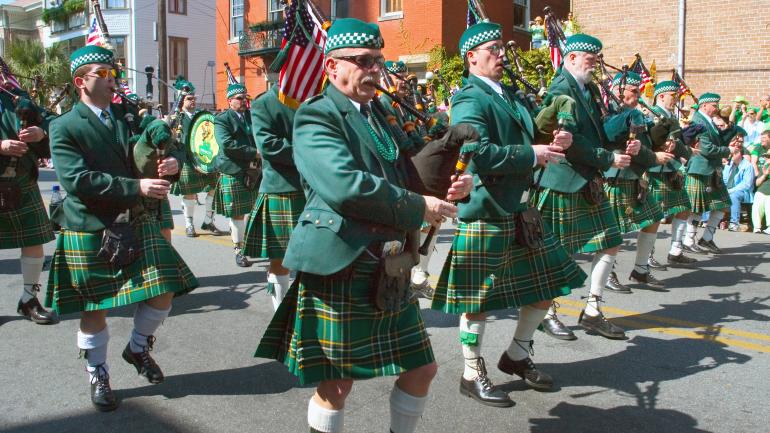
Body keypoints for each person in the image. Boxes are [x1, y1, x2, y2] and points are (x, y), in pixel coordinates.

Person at [254, 18, 471, 433]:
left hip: (388, 260)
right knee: (337, 383)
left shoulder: (382, 114)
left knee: (421, 369)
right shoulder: (317, 116)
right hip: (342, 258)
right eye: (363, 61)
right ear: (333, 67)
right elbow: (345, 187)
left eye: (378, 60)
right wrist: (416, 206)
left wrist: (451, 178)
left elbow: (412, 171)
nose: (374, 69)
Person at [431, 22, 586, 408]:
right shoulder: (469, 99)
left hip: (519, 205)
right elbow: (478, 152)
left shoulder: (508, 92)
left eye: (501, 48)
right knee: (478, 300)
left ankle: (516, 355)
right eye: (494, 49)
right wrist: (532, 154)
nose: (502, 55)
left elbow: (533, 127)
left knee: (548, 287)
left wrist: (558, 131)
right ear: (472, 57)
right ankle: (471, 371)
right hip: (487, 208)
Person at [46, 45, 198, 412]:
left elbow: (151, 151)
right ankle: (97, 371)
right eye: (105, 73)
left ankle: (137, 347)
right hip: (90, 226)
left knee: (165, 289)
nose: (114, 78)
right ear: (81, 82)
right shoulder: (63, 126)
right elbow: (77, 179)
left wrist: (171, 163)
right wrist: (137, 187)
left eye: (114, 73)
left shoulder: (127, 115)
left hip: (134, 218)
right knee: (95, 307)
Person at [535, 33, 632, 340]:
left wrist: (625, 122)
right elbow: (569, 142)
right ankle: (546, 312)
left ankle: (592, 310)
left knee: (610, 240)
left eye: (596, 60)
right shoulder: (560, 87)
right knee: (558, 252)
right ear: (572, 58)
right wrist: (607, 159)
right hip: (564, 179)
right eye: (590, 60)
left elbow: (597, 131)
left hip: (585, 179)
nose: (594, 66)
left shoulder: (586, 87)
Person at [602, 72, 673, 293]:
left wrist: (662, 138)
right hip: (614, 178)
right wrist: (652, 156)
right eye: (633, 91)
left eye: (638, 91)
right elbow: (612, 140)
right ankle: (607, 273)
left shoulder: (637, 115)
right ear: (618, 92)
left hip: (636, 178)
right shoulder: (607, 113)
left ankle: (640, 270)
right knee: (612, 232)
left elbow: (645, 142)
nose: (637, 95)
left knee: (653, 218)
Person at [242, 85, 305, 310]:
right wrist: (311, 151)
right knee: (282, 258)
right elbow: (268, 146)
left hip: (319, 187)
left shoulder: (318, 97)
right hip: (283, 188)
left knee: (315, 257)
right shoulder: (264, 103)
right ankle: (280, 311)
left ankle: (305, 310)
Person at [0, 84, 56, 325]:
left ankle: (29, 299)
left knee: (33, 241)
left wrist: (41, 133)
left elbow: (53, 122)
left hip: (21, 179)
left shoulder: (14, 97)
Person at [646, 80, 698, 267]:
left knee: (684, 208)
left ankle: (675, 250)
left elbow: (677, 143)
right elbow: (649, 141)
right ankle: (648, 255)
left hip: (672, 170)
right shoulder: (652, 115)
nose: (676, 99)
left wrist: (688, 152)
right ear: (661, 96)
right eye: (673, 96)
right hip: (656, 170)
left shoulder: (671, 117)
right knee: (655, 215)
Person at [169, 77, 226, 238]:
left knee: (214, 188)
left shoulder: (202, 117)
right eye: (189, 98)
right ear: (181, 100)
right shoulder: (176, 117)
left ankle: (208, 221)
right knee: (189, 193)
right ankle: (189, 224)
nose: (193, 101)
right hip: (187, 159)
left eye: (194, 98)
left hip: (205, 158)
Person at [214, 81, 261, 267]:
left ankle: (249, 243)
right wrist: (254, 152)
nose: (244, 101)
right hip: (233, 170)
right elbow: (227, 145)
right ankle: (239, 250)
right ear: (229, 100)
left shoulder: (252, 116)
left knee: (254, 211)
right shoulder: (222, 119)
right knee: (238, 213)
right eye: (239, 98)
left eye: (245, 97)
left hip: (254, 169)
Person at [681, 93, 733, 254]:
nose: (717, 108)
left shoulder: (708, 121)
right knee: (697, 208)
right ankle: (688, 240)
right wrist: (727, 150)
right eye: (714, 105)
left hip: (711, 170)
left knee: (723, 205)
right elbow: (706, 148)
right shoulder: (698, 121)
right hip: (700, 169)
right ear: (704, 106)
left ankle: (707, 238)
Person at [723, 134, 755, 231]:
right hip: (729, 189)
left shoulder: (747, 166)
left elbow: (746, 185)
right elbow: (725, 180)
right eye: (731, 154)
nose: (732, 156)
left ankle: (734, 223)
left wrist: (731, 190)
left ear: (740, 155)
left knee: (734, 195)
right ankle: (705, 221)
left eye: (735, 154)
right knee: (713, 192)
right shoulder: (729, 165)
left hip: (744, 192)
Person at [752, 160, 770, 234]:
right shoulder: (764, 168)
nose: (767, 159)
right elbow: (757, 183)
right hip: (761, 191)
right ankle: (757, 227)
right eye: (767, 157)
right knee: (757, 205)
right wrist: (765, 175)